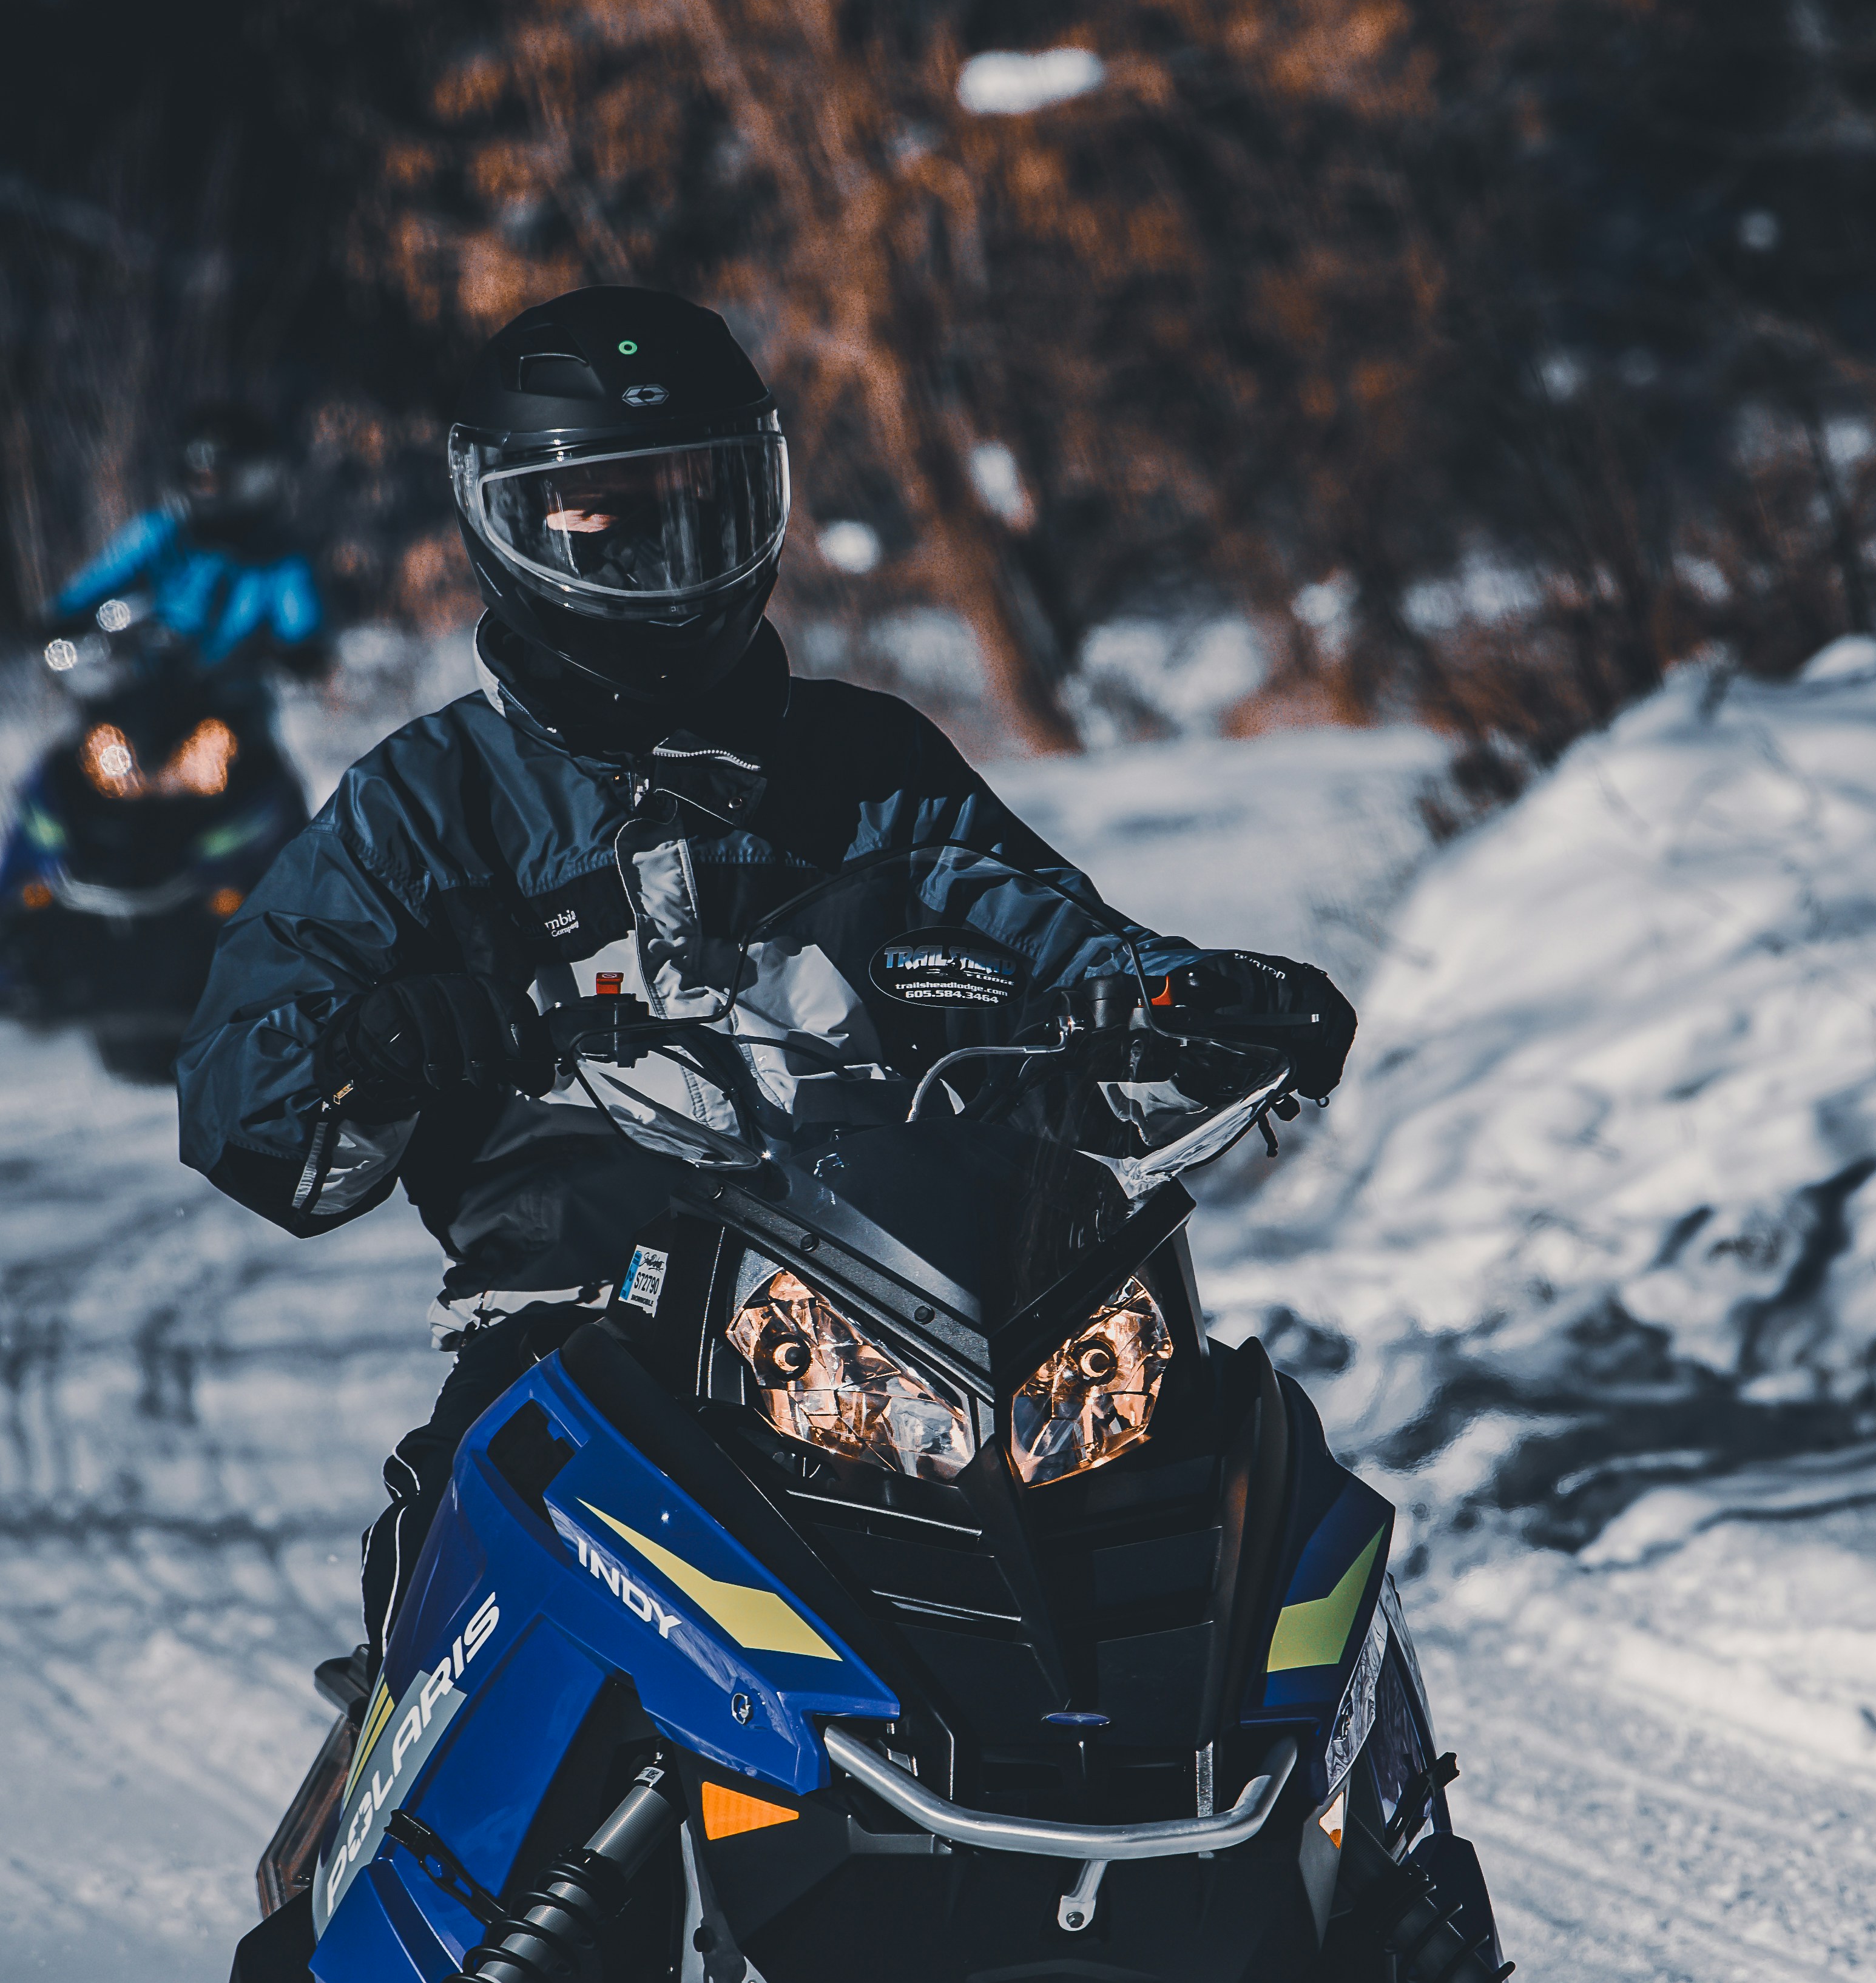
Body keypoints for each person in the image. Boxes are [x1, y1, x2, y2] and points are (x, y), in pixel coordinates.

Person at [174, 283, 1357, 1678]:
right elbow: (247, 1091)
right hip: (595, 1328)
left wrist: (1183, 1002)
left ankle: (1349, 1861)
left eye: (701, 502)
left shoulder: (867, 768)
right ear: (507, 523)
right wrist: (374, 1038)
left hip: (916, 1306)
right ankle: (403, 1856)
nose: (664, 557)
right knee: (471, 1518)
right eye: (605, 516)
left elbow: (1048, 933)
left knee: (1241, 1468)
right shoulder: (428, 806)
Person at [44, 398, 331, 698]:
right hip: (145, 689)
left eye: (214, 480)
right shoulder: (164, 533)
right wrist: (60, 616)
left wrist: (302, 650)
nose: (202, 490)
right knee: (85, 743)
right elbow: (109, 572)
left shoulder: (278, 559)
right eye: (196, 478)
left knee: (252, 743)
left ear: (254, 479)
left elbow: (299, 616)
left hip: (229, 700)